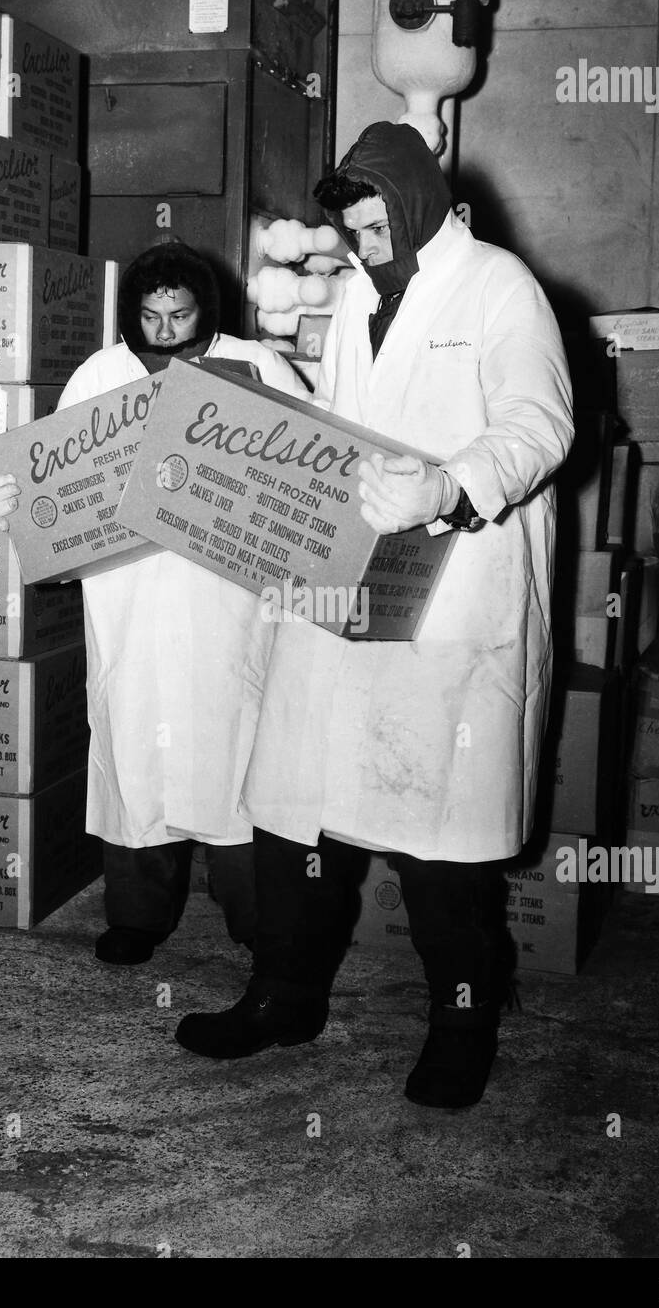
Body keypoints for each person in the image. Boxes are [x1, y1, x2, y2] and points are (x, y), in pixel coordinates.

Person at [175, 123, 575, 1109]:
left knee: (446, 854)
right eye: (348, 222)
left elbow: (541, 423)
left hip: (453, 596)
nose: (361, 237)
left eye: (374, 215)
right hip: (349, 586)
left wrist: (446, 483)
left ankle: (464, 1023)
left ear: (418, 203)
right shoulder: (354, 293)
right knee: (298, 809)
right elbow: (333, 422)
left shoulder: (499, 288)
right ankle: (284, 995)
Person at [0, 242, 310, 965]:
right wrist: (13, 509)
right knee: (136, 750)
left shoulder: (258, 364)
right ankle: (138, 914)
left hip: (226, 599)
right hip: (129, 596)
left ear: (208, 311)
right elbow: (58, 489)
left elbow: (311, 474)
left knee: (238, 754)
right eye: (149, 315)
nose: (163, 329)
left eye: (180, 314)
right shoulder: (101, 372)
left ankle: (258, 921)